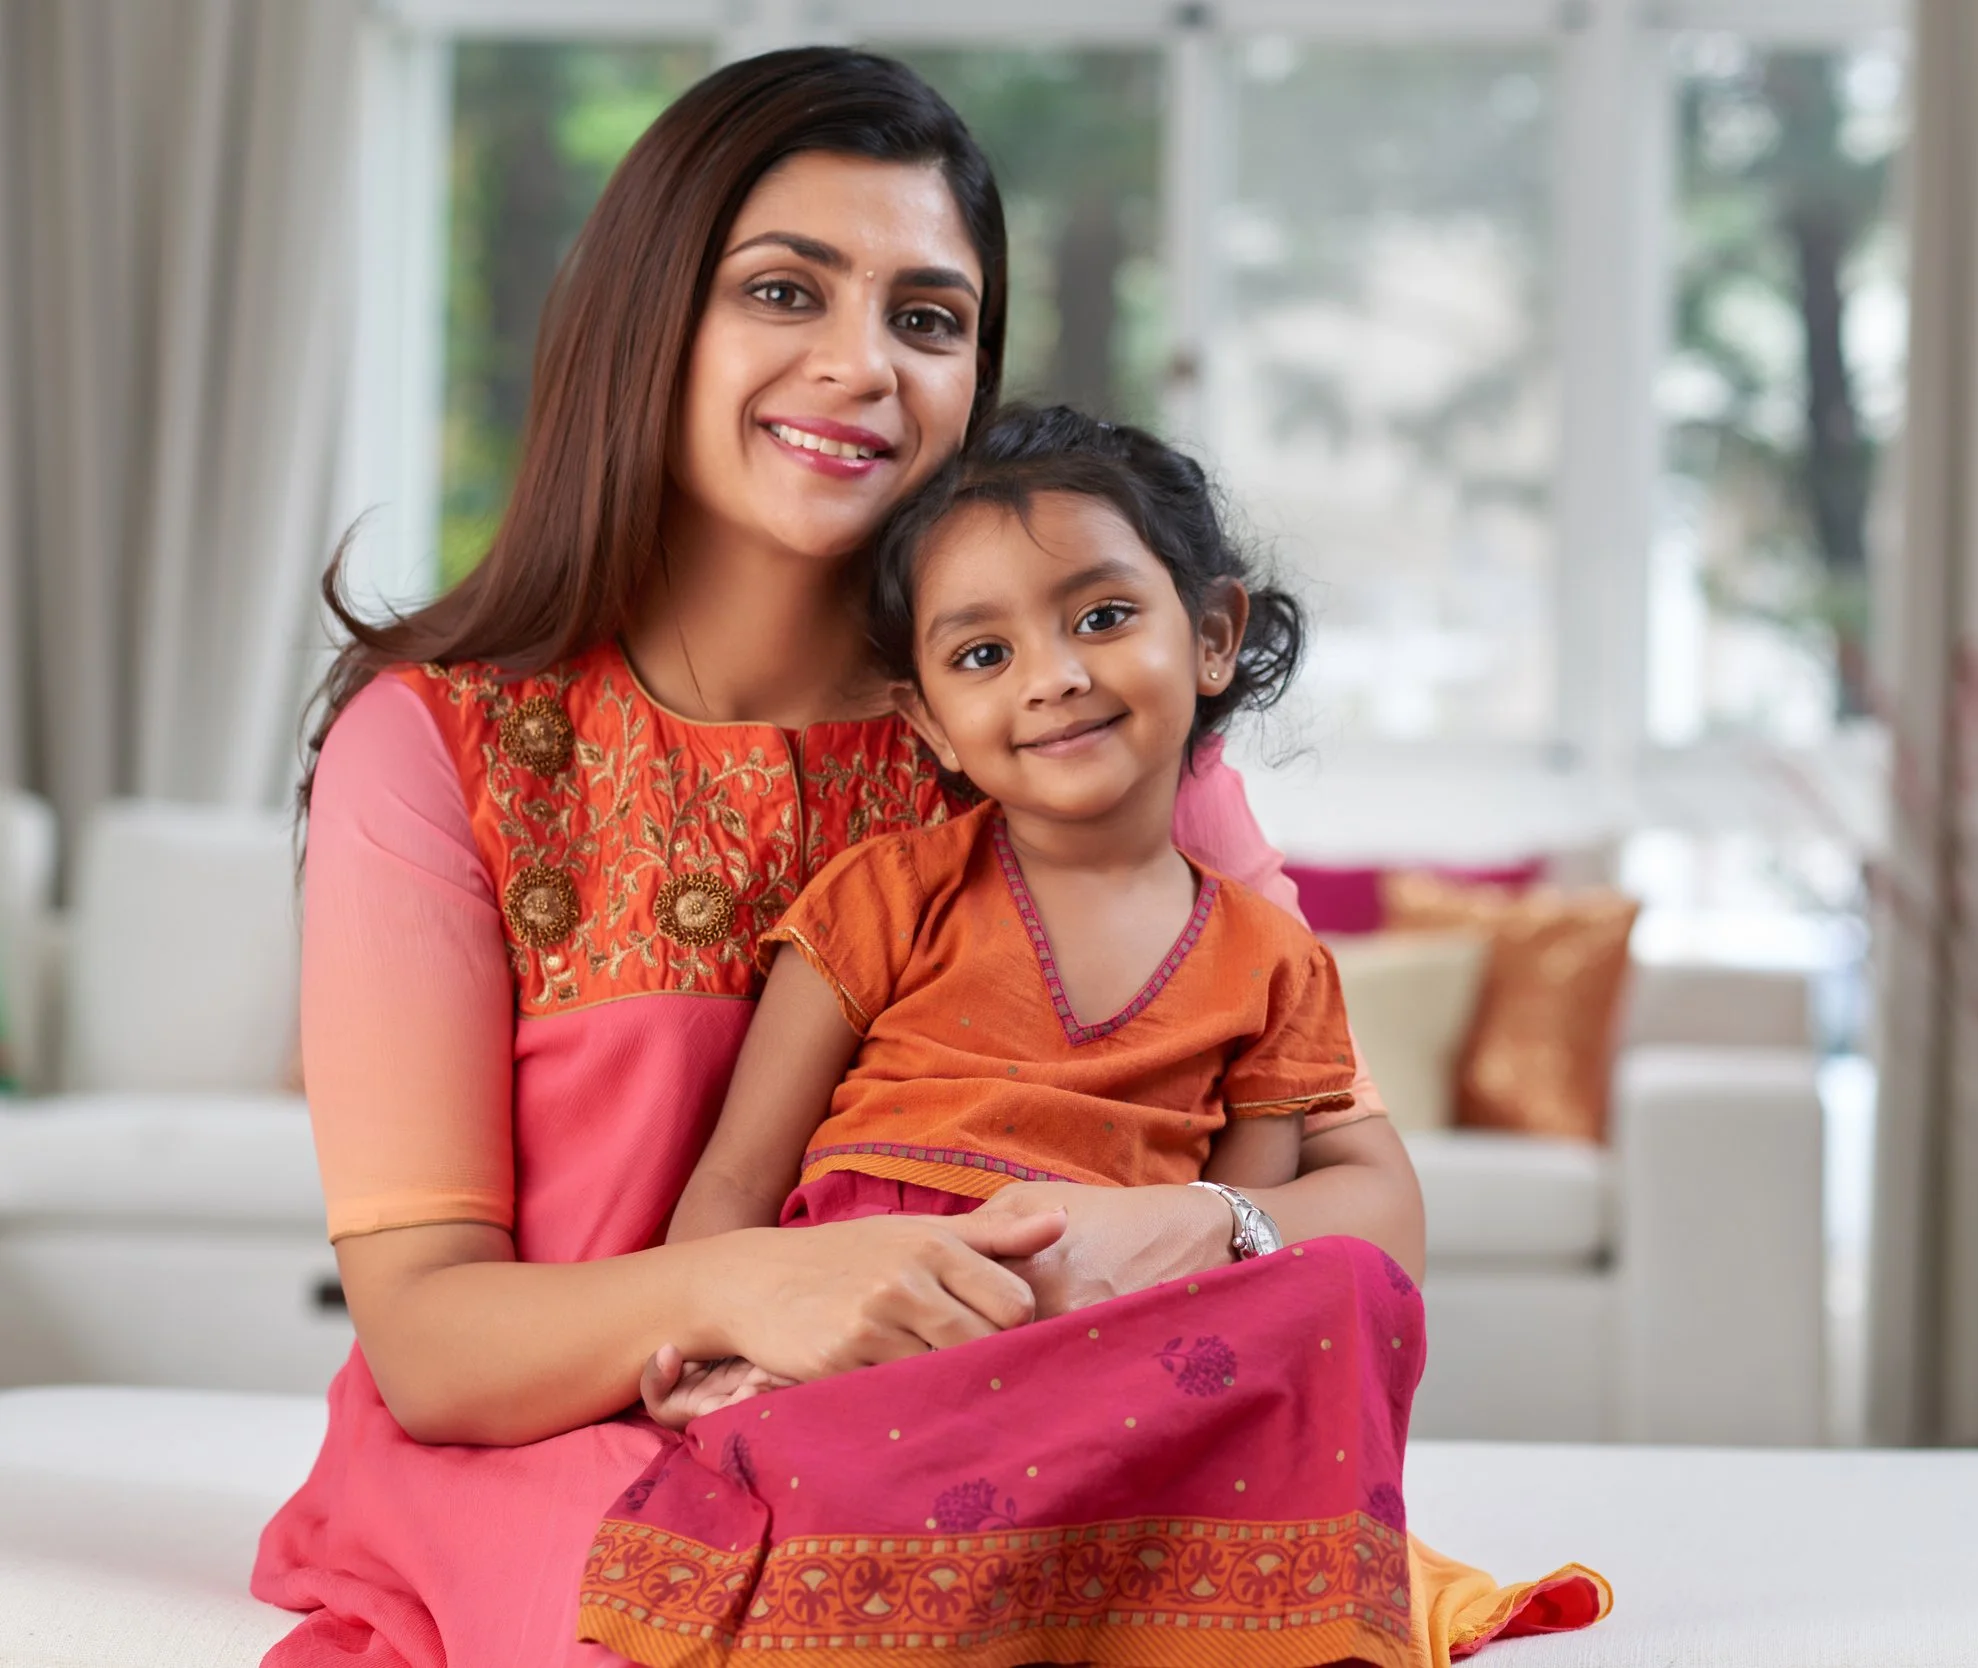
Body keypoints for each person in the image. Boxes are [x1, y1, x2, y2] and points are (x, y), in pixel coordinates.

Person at [254, 45, 1600, 1667]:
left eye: (928, 317)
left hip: (1004, 1435)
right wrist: (763, 1289)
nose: (861, 365)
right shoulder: (443, 744)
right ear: (650, 320)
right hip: (567, 1459)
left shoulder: (1078, 732)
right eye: (784, 291)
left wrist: (1200, 1232)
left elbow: (1367, 1207)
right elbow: (433, 1343)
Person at [639, 405, 1349, 1428]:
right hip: (855, 1333)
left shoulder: (1278, 963)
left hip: (1098, 1360)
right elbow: (739, 1174)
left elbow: (1231, 1266)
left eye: (1102, 618)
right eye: (981, 656)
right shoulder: (881, 894)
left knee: (1345, 1303)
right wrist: (707, 1337)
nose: (1054, 679)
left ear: (1210, 639)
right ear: (930, 722)